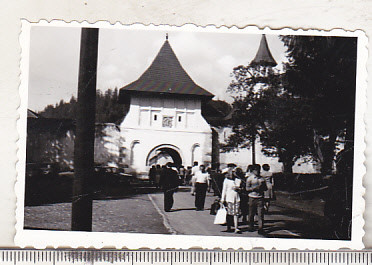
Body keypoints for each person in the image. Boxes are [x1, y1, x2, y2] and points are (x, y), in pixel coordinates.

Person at [246, 164, 267, 234]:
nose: (257, 172)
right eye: (256, 170)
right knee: (251, 213)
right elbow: (247, 189)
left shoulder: (262, 179)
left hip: (260, 198)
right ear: (253, 171)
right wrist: (253, 188)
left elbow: (265, 188)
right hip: (252, 197)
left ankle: (260, 228)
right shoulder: (250, 179)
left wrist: (262, 187)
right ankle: (250, 226)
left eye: (258, 170)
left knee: (260, 214)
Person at [220, 166, 241, 233]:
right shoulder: (226, 180)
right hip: (229, 198)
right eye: (232, 172)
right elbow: (224, 190)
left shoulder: (238, 180)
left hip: (236, 198)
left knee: (236, 213)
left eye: (234, 172)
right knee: (229, 214)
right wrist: (222, 199)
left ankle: (236, 228)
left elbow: (239, 188)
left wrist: (238, 188)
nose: (233, 173)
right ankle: (228, 227)